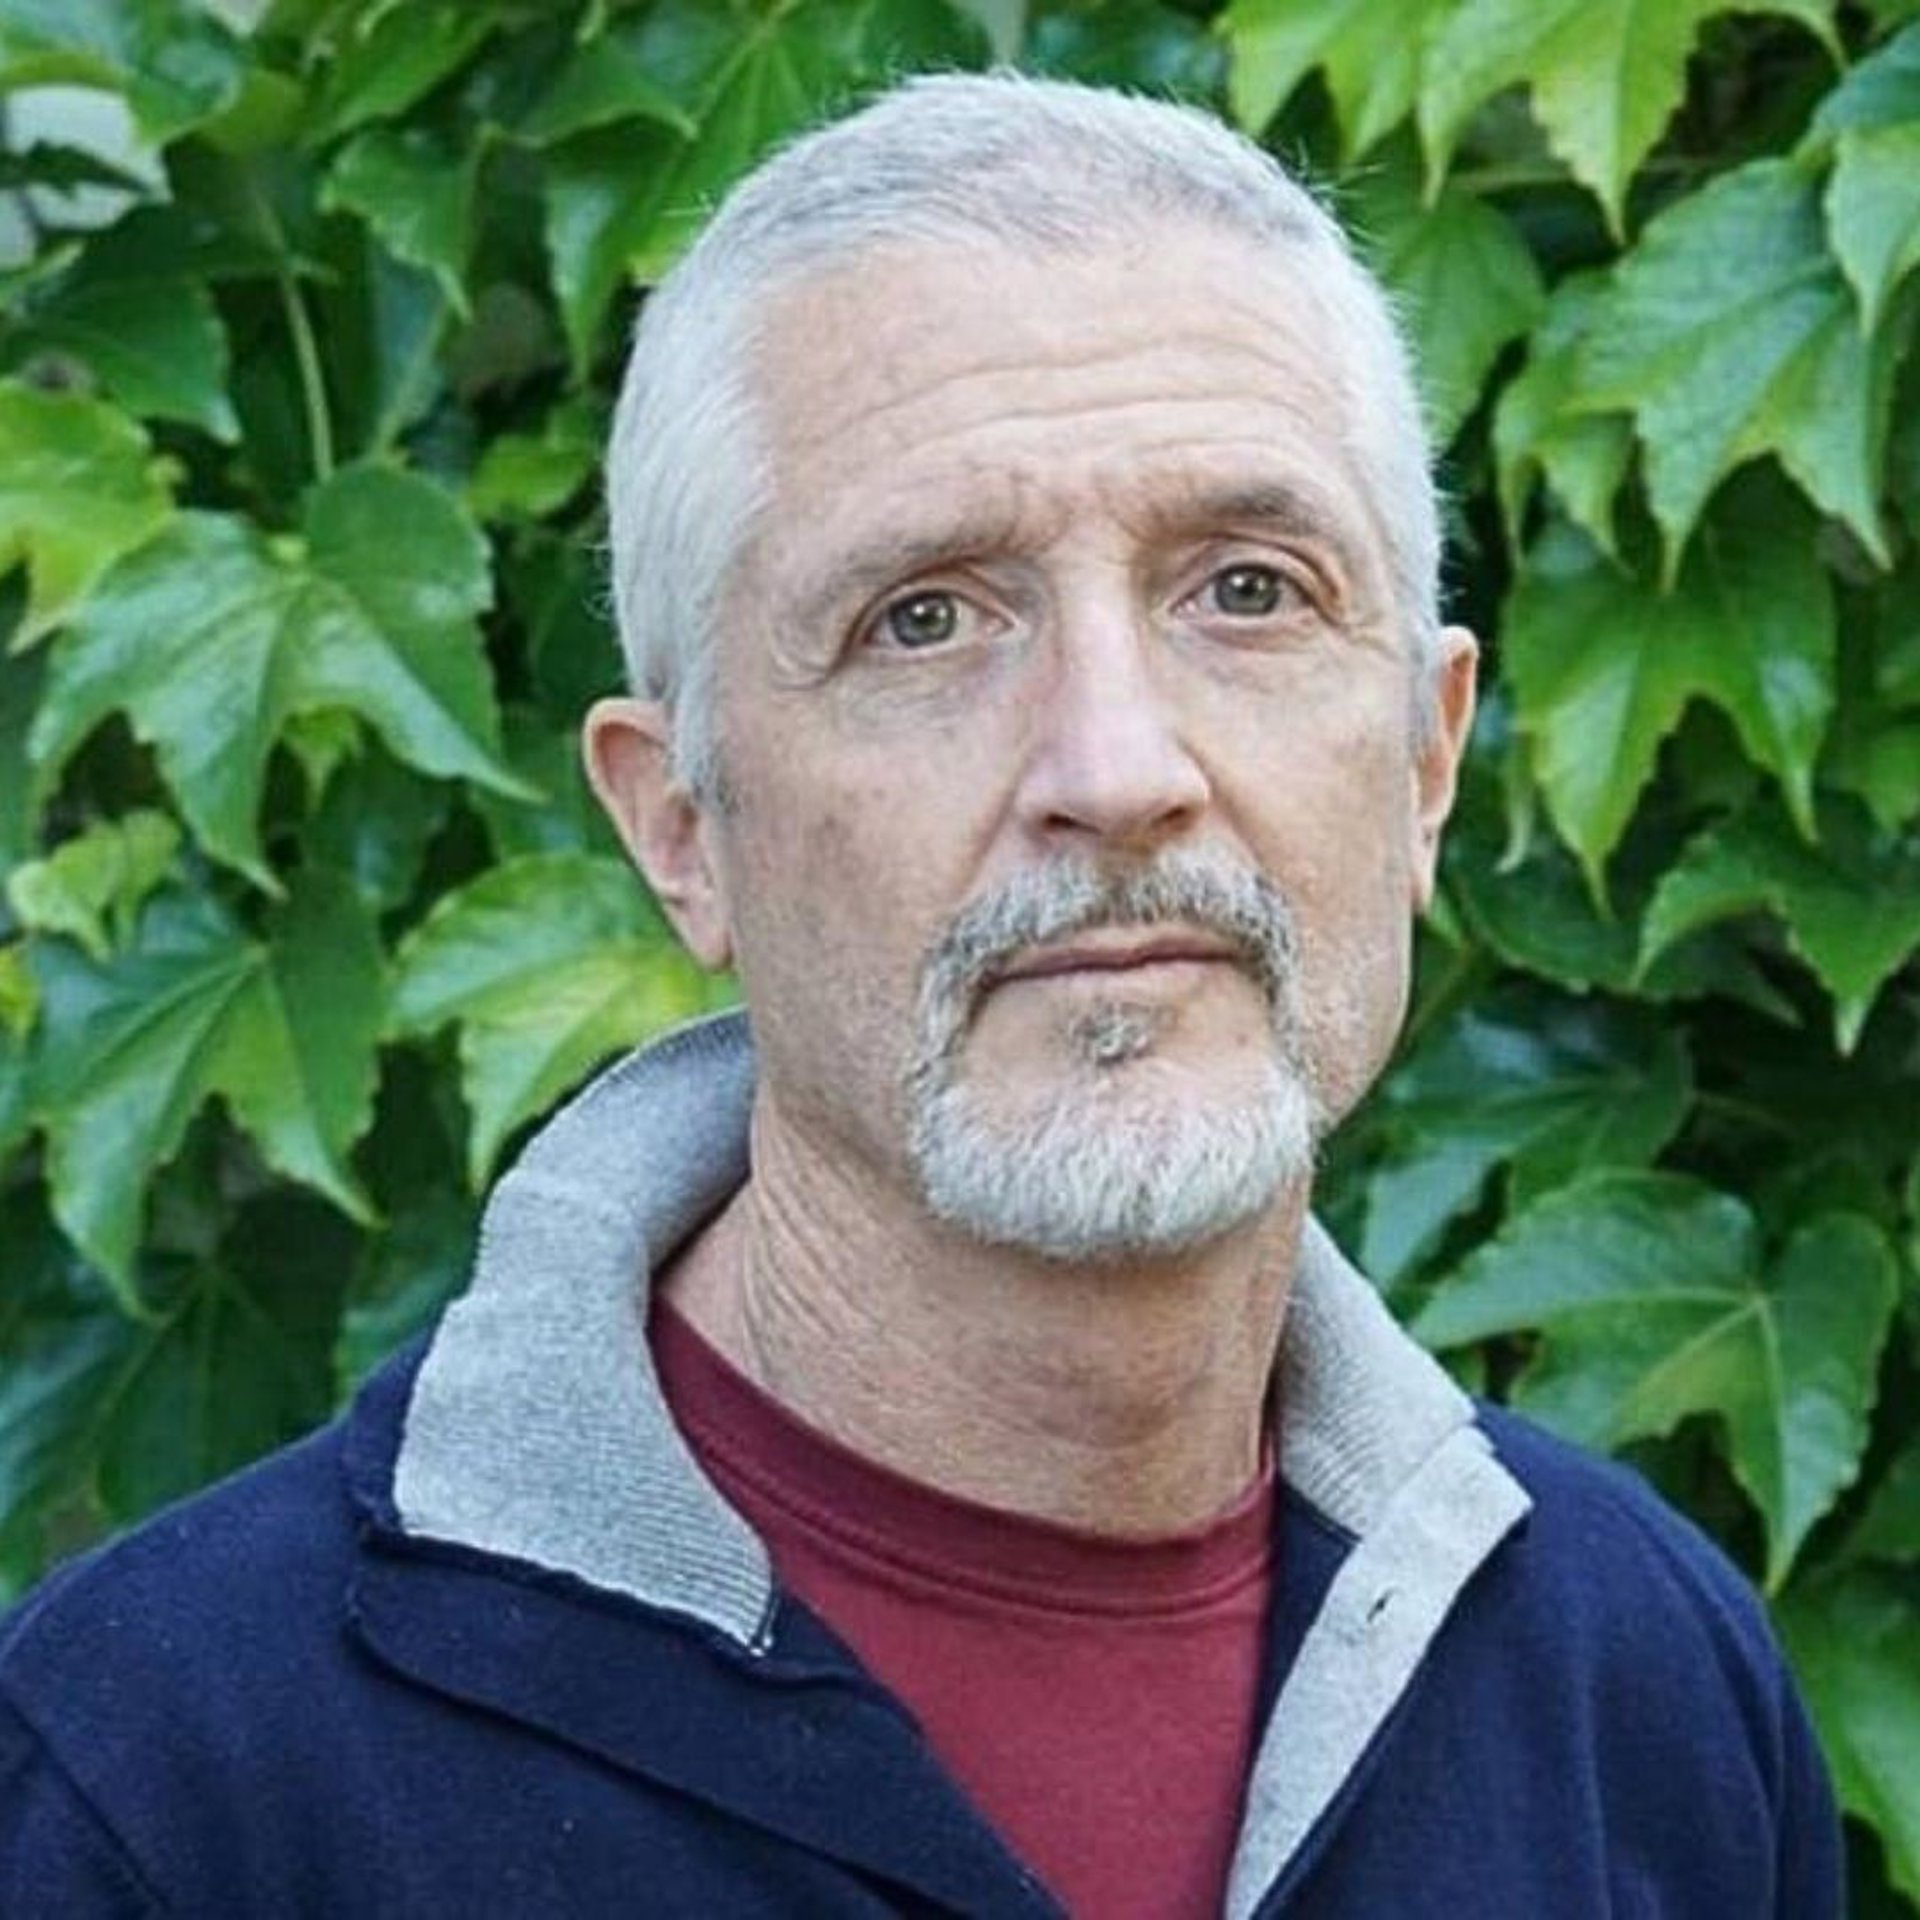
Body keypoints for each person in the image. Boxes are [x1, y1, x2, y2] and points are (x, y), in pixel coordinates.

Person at [0, 73, 1839, 1919]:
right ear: (680, 828)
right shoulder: (163, 1789)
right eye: (926, 618)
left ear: (1426, 767)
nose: (1117, 771)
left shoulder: (1646, 1688)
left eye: (1248, 590)